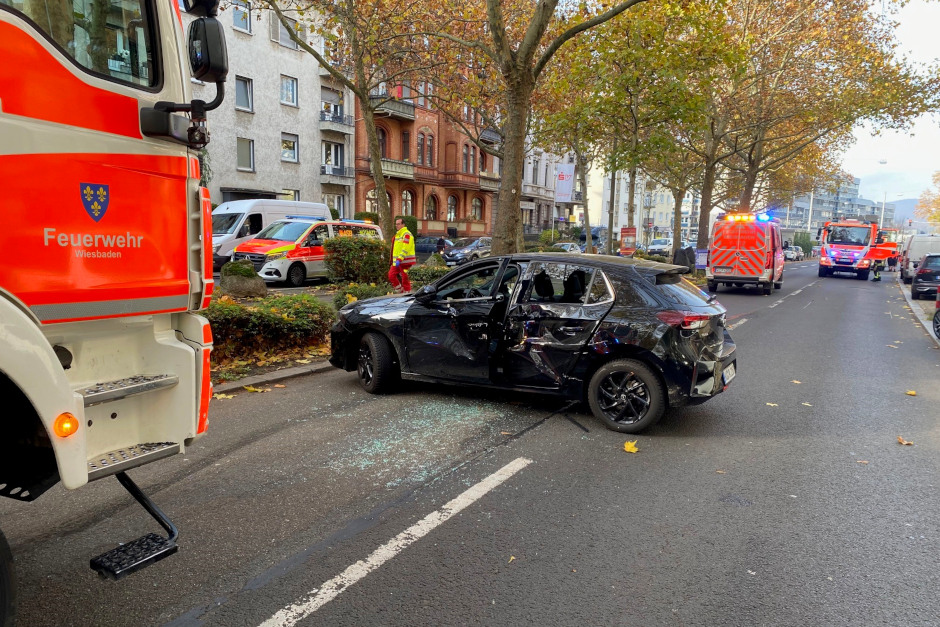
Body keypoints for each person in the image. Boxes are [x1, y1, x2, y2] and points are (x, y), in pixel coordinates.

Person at [389, 218, 416, 292]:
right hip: (398, 261)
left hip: (405, 261)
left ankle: (407, 292)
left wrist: (399, 259)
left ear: (403, 224)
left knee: (405, 277)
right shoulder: (398, 235)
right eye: (396, 224)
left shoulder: (407, 235)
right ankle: (400, 291)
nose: (396, 225)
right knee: (391, 275)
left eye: (398, 224)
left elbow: (405, 249)